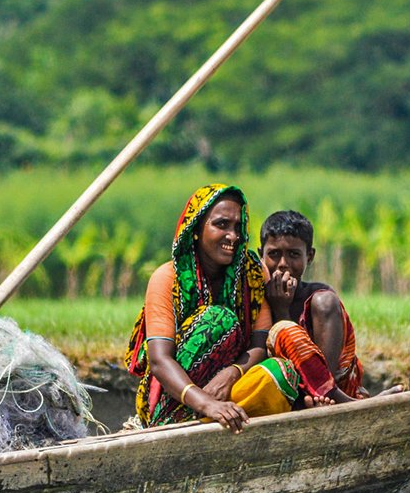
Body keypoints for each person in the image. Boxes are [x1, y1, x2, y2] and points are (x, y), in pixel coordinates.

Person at [125, 184, 302, 432]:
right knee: (218, 320)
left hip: (227, 390)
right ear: (197, 228)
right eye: (221, 225)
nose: (232, 235)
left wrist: (232, 372)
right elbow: (159, 360)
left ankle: (229, 418)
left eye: (237, 227)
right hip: (177, 398)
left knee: (282, 372)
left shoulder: (250, 273)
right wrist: (206, 403)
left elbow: (259, 344)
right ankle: (179, 421)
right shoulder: (167, 278)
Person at [259, 209, 369, 406]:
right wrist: (279, 309)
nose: (283, 264)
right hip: (280, 390)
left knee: (325, 302)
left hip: (325, 395)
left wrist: (283, 312)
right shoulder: (254, 296)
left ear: (309, 256)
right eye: (274, 254)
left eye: (293, 254)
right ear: (261, 255)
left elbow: (325, 367)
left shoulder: (317, 297)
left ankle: (328, 394)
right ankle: (340, 399)